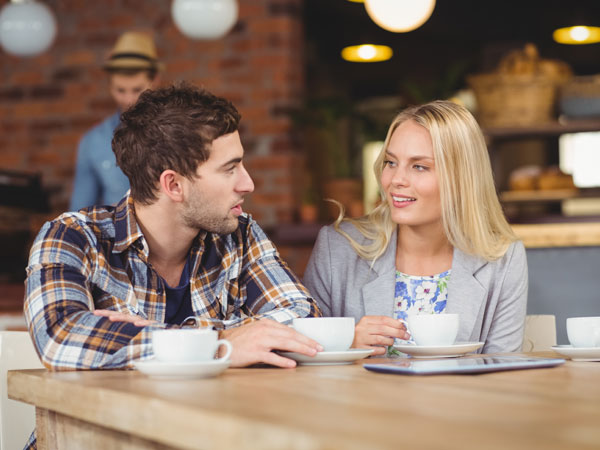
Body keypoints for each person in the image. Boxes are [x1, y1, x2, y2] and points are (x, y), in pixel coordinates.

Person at [25, 83, 323, 374]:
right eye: (230, 169)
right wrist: (221, 343)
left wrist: (134, 338)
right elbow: (59, 336)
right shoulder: (72, 236)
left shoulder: (239, 235)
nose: (248, 184)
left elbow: (303, 317)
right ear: (174, 185)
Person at [303, 100, 527, 356]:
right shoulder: (336, 248)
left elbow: (503, 372)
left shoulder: (503, 259)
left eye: (419, 166)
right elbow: (304, 360)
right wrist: (346, 343)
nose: (396, 180)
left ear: (461, 178)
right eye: (390, 162)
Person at [69, 31, 161, 211]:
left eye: (137, 90)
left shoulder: (179, 132)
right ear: (110, 85)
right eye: (120, 90)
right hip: (116, 237)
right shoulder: (93, 141)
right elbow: (79, 212)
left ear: (155, 80)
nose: (128, 99)